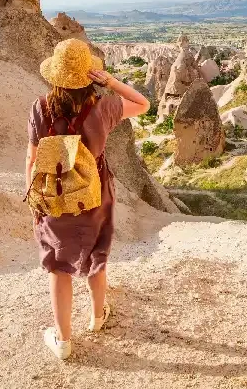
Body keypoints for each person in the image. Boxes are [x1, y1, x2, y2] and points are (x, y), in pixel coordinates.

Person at [26, 38, 150, 360]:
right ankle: (97, 317)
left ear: (54, 75)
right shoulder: (106, 107)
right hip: (95, 196)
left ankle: (63, 341)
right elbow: (143, 104)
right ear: (88, 75)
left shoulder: (40, 108)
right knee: (97, 255)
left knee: (59, 266)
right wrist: (109, 81)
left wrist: (34, 201)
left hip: (54, 198)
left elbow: (32, 159)